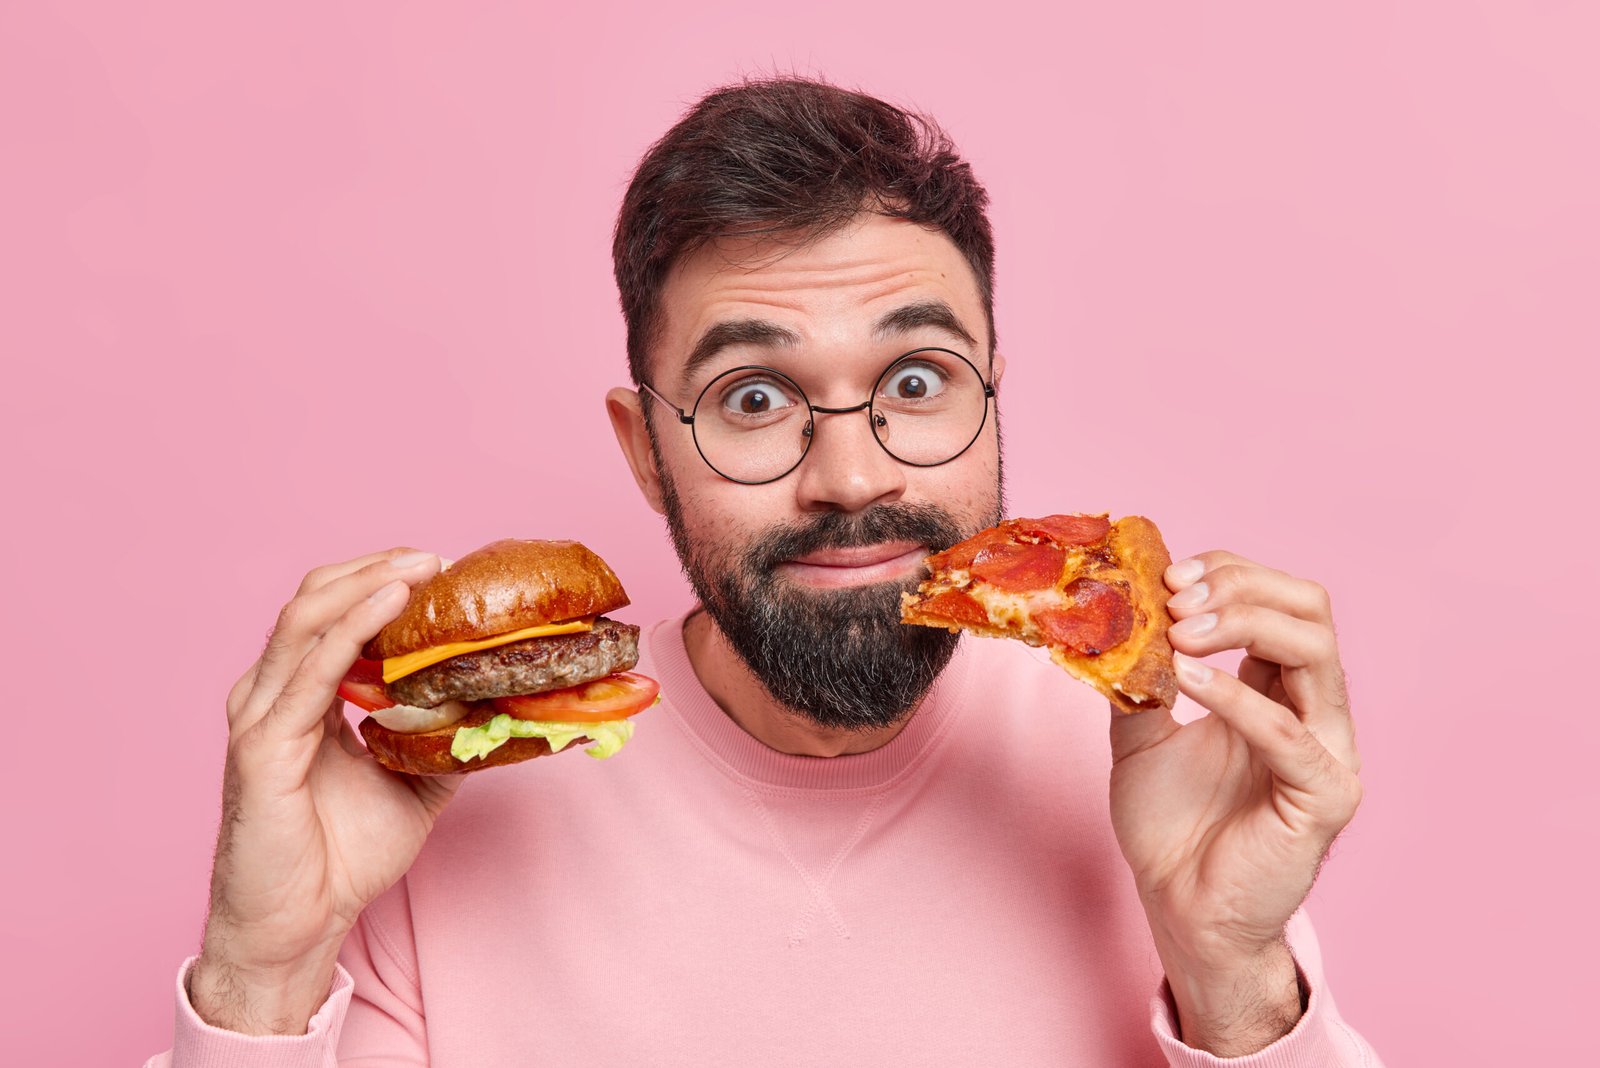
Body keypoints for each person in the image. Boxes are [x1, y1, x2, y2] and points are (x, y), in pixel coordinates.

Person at [149, 77, 1380, 1066]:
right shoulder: (441, 814)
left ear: (993, 399)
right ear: (646, 453)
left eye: (916, 381)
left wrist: (1230, 974)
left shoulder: (1150, 772)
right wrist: (260, 971)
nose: (850, 476)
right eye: (752, 397)